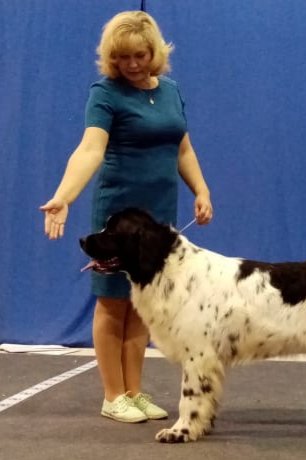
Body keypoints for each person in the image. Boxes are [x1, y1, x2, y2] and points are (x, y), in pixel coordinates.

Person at [40, 10, 213, 423]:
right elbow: (90, 150)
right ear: (111, 59)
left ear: (154, 51)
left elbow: (183, 149)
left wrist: (201, 190)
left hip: (159, 218)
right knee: (113, 302)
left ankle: (134, 391)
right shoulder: (105, 93)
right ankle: (112, 394)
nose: (131, 64)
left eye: (139, 55)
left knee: (142, 304)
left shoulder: (170, 90)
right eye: (122, 58)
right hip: (119, 215)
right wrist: (64, 196)